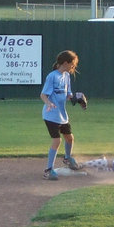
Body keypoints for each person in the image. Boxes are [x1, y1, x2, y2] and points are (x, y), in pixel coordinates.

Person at [40, 50, 86, 180]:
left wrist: (77, 98)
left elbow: (68, 95)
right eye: (72, 64)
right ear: (65, 63)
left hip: (61, 114)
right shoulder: (52, 76)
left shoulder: (66, 76)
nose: (73, 67)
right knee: (57, 140)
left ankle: (67, 158)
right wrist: (48, 103)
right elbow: (43, 95)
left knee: (69, 138)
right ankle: (48, 170)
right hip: (50, 115)